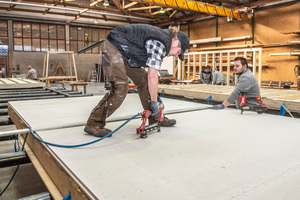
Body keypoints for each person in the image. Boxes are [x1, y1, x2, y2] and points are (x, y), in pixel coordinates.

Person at [84, 24, 190, 137]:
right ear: (175, 42)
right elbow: (152, 76)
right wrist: (154, 103)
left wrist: (155, 105)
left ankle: (155, 118)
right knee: (120, 86)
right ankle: (94, 123)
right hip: (110, 48)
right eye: (178, 52)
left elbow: (149, 77)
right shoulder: (161, 43)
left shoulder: (163, 41)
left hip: (126, 54)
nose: (175, 56)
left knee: (144, 80)